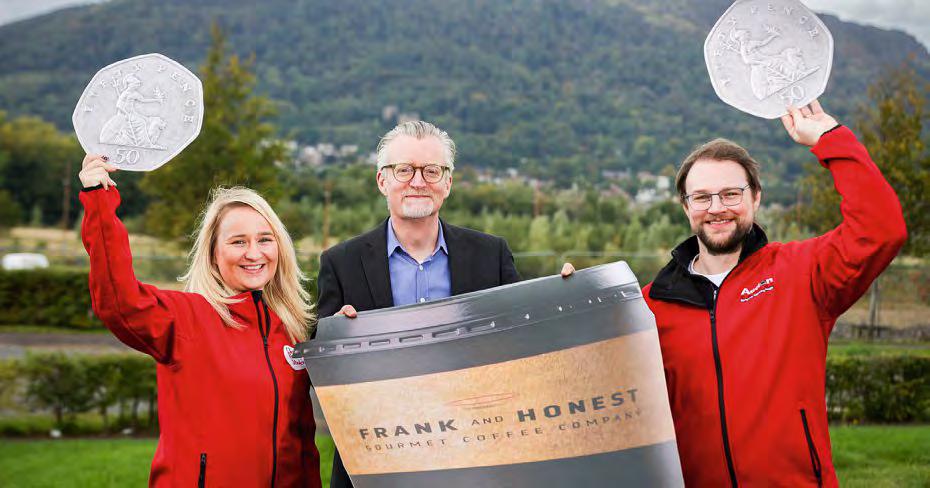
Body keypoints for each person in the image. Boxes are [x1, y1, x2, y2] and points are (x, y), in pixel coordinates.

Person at [642, 101, 907, 486]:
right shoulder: (650, 305)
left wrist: (830, 139)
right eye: (702, 197)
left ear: (756, 198)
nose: (716, 208)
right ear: (686, 207)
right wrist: (567, 294)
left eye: (731, 194)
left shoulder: (801, 272)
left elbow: (882, 230)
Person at [79, 154, 321, 487]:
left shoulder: (291, 331)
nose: (254, 253)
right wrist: (99, 199)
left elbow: (302, 442)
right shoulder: (186, 319)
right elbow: (119, 301)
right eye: (238, 242)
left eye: (265, 239)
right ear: (213, 254)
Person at [316, 120, 523, 488]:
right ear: (382, 180)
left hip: (475, 458)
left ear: (448, 182)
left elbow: (524, 342)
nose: (418, 181)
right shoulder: (341, 263)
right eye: (404, 170)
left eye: (431, 170)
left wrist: (567, 292)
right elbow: (319, 366)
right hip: (377, 461)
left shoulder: (491, 255)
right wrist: (334, 340)